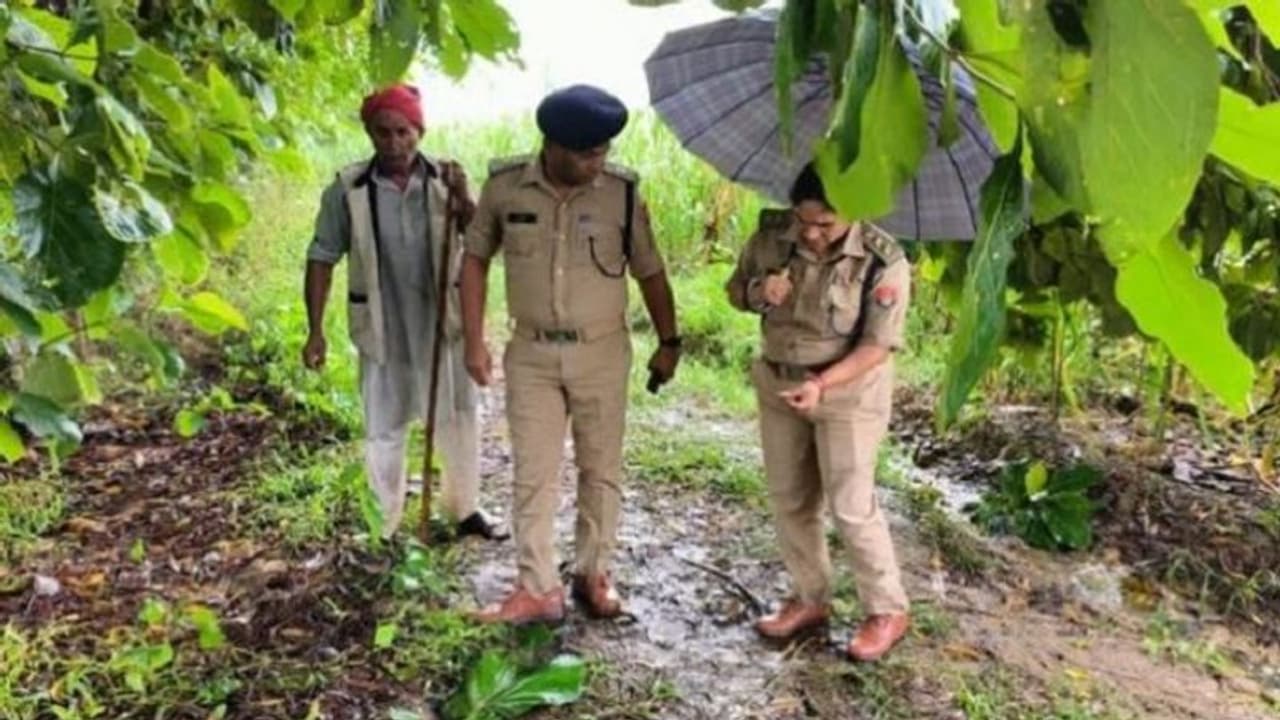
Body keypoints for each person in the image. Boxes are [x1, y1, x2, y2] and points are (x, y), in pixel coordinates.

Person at [460, 84, 681, 625]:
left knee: (600, 468)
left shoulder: (621, 193)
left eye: (604, 151)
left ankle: (592, 572)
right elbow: (474, 260)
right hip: (532, 352)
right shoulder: (506, 186)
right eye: (586, 153)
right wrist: (473, 340)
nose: (598, 162)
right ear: (551, 145)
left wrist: (669, 341)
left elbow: (649, 269)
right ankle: (537, 588)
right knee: (533, 471)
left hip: (602, 352)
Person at [725, 163, 912, 662]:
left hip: (846, 392)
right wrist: (759, 292)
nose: (811, 232)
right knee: (790, 497)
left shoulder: (882, 260)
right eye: (804, 220)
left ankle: (886, 609)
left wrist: (822, 384)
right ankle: (810, 599)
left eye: (825, 223)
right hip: (780, 383)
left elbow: (878, 346)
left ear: (854, 211)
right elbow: (734, 290)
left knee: (851, 503)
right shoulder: (772, 237)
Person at [302, 84, 503, 541]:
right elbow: (321, 257)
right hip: (381, 322)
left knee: (458, 415)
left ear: (420, 130)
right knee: (383, 424)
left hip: (441, 323)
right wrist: (315, 331)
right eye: (383, 133)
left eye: (403, 132)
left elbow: (481, 242)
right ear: (369, 134)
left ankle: (464, 508)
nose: (394, 143)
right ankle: (384, 523)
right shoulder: (348, 188)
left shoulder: (445, 178)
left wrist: (465, 197)